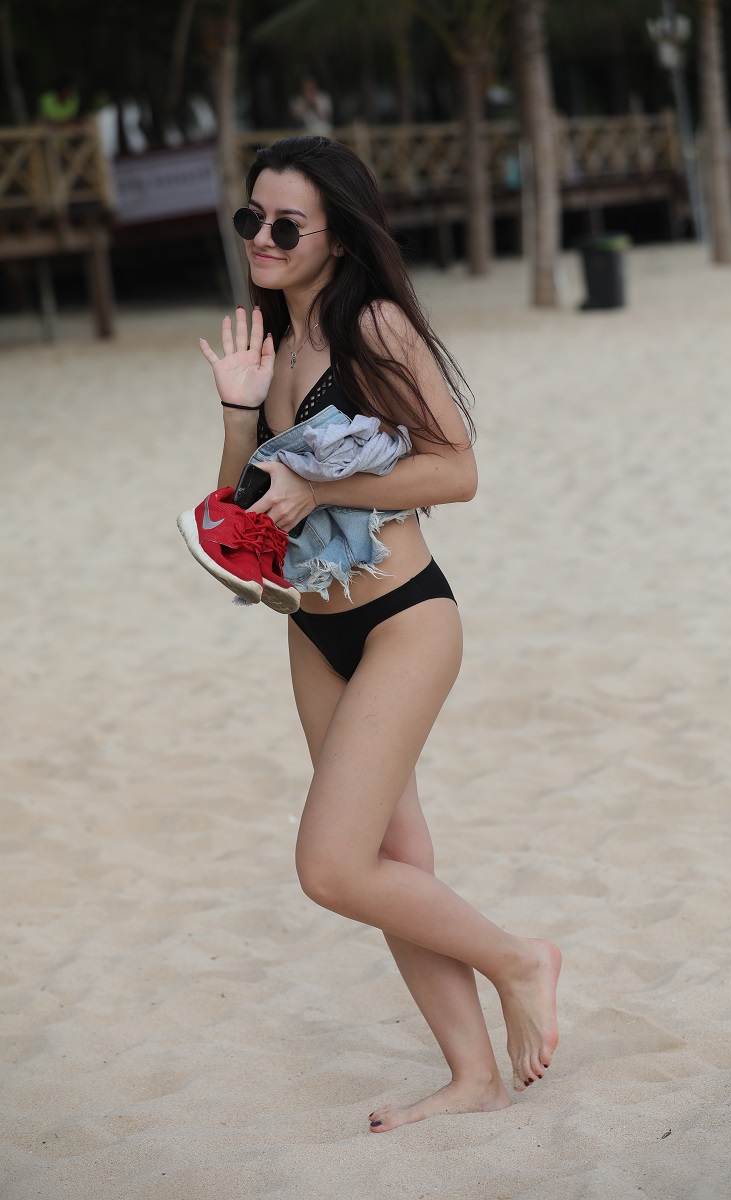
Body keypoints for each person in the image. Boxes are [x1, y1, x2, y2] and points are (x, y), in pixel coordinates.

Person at [193, 136, 561, 1132]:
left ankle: (520, 961)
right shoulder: (275, 340)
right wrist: (237, 411)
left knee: (332, 867)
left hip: (402, 620)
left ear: (340, 236)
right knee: (393, 864)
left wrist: (324, 488)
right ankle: (473, 1077)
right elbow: (244, 508)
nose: (262, 239)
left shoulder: (375, 326)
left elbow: (456, 470)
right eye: (251, 219)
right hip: (314, 632)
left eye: (286, 225)